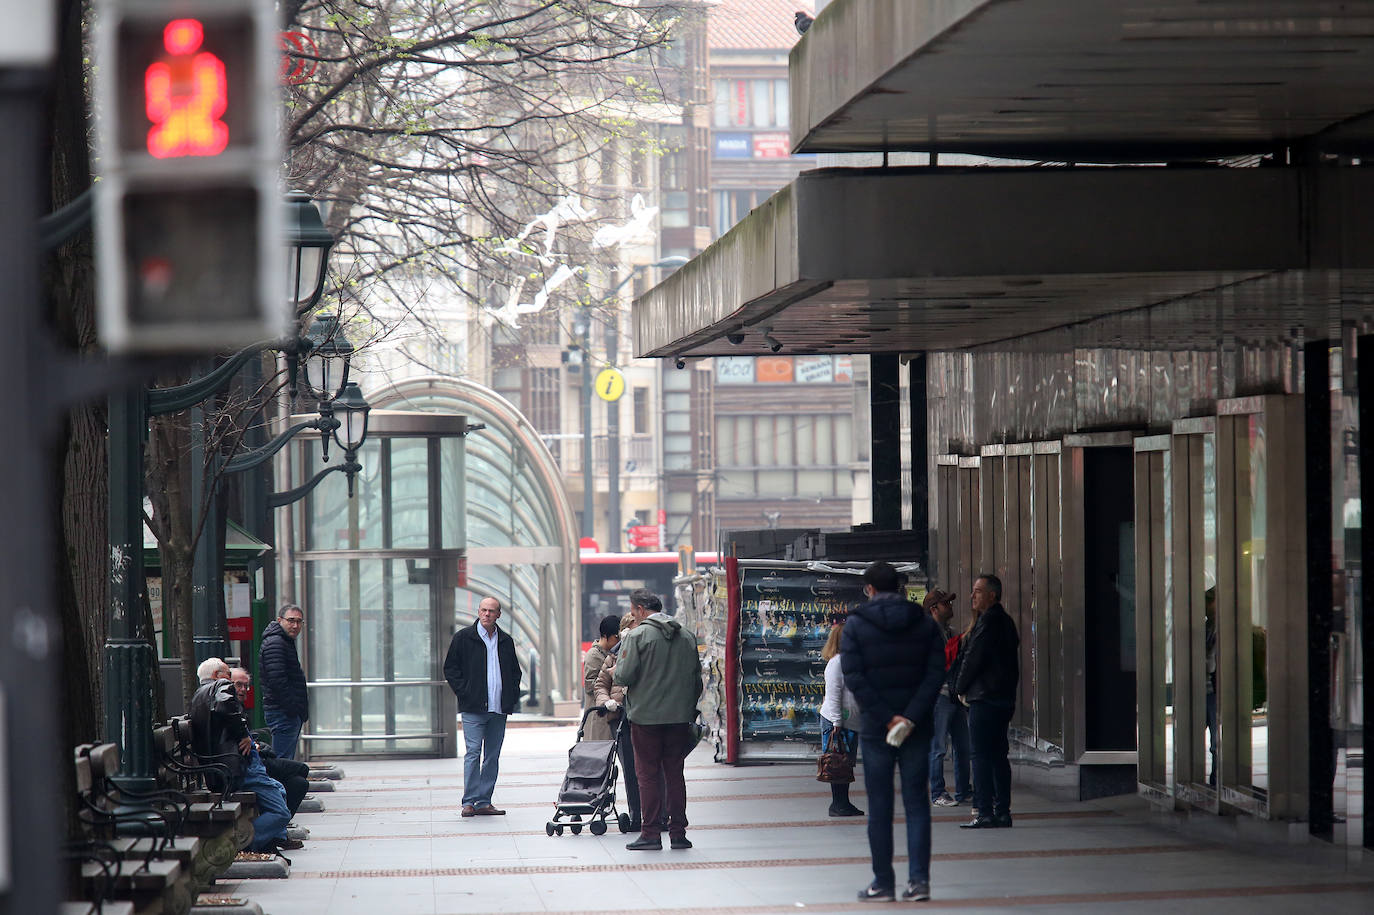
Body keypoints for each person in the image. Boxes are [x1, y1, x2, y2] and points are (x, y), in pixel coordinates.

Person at [840, 561, 945, 903]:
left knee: (880, 805)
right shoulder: (925, 623)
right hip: (917, 728)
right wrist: (910, 717)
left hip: (875, 730)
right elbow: (935, 674)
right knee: (917, 803)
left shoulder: (855, 625)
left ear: (869, 588)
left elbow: (854, 678)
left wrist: (887, 719)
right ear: (900, 587)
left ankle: (882, 882)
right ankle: (919, 883)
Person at [614, 589, 703, 851]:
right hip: (679, 718)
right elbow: (696, 681)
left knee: (648, 775)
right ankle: (678, 833)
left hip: (645, 718)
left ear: (641, 610)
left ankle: (651, 833)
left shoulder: (637, 636)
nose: (633, 616)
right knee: (675, 773)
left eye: (633, 612)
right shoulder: (686, 636)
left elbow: (624, 676)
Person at [190, 657, 298, 852]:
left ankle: (272, 840)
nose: (230, 680)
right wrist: (243, 735)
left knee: (280, 789)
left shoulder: (199, 694)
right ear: (217, 675)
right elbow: (225, 706)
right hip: (236, 768)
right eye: (228, 675)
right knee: (281, 813)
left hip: (220, 768)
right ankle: (243, 844)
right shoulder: (219, 686)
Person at [444, 596, 522, 817]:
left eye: (492, 611)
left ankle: (483, 801)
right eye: (484, 610)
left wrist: (511, 695)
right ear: (478, 612)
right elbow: (450, 668)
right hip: (473, 708)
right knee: (473, 753)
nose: (487, 614)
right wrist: (465, 692)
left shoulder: (505, 640)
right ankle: (468, 802)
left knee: (492, 756)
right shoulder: (463, 638)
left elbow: (515, 672)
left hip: (499, 709)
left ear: (499, 615)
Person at [955, 574, 1020, 829]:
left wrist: (958, 688)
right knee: (998, 755)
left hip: (984, 698)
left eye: (978, 591)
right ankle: (1002, 811)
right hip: (1002, 699)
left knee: (980, 755)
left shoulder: (988, 622)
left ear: (992, 595)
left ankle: (984, 811)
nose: (973, 596)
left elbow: (974, 658)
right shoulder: (1006, 622)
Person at [231, 666, 311, 821]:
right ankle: (274, 824)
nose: (243, 690)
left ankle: (279, 826)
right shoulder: (227, 707)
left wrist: (256, 744)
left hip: (255, 761)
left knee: (299, 783)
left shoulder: (238, 708)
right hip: (248, 766)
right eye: (238, 685)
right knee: (300, 769)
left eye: (246, 686)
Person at [925, 588, 971, 808]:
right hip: (938, 696)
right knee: (938, 746)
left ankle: (964, 791)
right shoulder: (926, 633)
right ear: (934, 609)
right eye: (946, 604)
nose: (950, 607)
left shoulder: (950, 632)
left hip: (954, 694)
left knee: (963, 746)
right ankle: (937, 792)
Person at [819, 611, 863, 817]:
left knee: (844, 764)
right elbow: (834, 694)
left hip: (848, 722)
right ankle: (838, 804)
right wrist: (837, 722)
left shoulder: (850, 661)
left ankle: (843, 802)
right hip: (837, 722)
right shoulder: (837, 664)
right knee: (836, 763)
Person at [259, 603, 309, 760]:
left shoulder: (282, 641)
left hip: (285, 712)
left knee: (284, 760)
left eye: (299, 621)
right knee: (282, 762)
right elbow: (277, 681)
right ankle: (280, 785)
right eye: (291, 620)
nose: (295, 625)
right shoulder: (276, 643)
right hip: (283, 712)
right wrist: (293, 709)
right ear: (280, 620)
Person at [582, 615, 622, 741]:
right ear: (606, 636)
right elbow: (590, 686)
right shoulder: (594, 655)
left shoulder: (611, 654)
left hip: (607, 712)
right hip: (598, 715)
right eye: (616, 638)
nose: (618, 642)